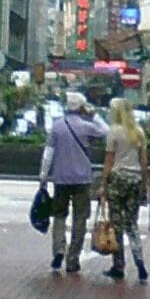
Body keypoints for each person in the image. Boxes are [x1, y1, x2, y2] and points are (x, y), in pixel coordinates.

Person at [39, 91, 108, 274]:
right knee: (80, 218)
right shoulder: (86, 126)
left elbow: (48, 154)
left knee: (59, 216)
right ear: (82, 107)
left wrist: (43, 176)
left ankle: (58, 250)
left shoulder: (57, 127)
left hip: (60, 179)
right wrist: (95, 115)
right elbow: (105, 132)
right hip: (82, 179)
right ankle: (73, 258)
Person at [99, 98, 149, 283]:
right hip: (135, 180)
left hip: (117, 179)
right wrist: (145, 186)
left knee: (116, 224)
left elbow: (109, 161)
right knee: (132, 225)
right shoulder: (139, 132)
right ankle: (140, 263)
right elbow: (144, 162)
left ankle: (118, 266)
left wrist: (103, 184)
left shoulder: (114, 132)